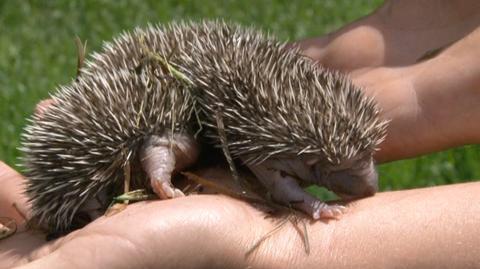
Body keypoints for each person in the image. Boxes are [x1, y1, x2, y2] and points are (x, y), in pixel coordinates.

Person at [1, 0, 480, 268]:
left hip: (194, 117)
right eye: (324, 170)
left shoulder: (277, 131)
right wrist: (306, 203)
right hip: (151, 121)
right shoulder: (268, 137)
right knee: (157, 132)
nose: (366, 189)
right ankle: (140, 164)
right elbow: (271, 167)